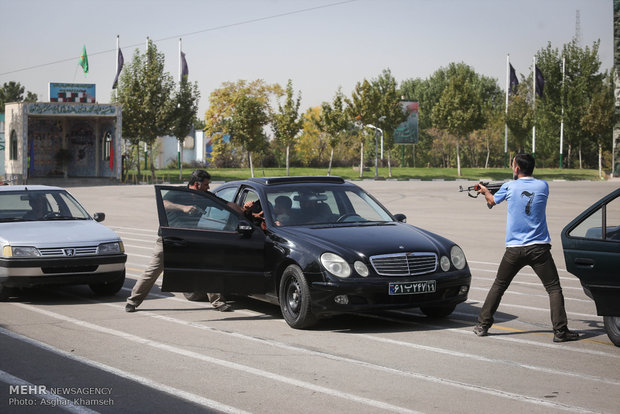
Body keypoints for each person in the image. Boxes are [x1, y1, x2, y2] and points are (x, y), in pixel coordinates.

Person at [473, 153, 579, 342]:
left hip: (514, 249)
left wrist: (485, 192)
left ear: (516, 168)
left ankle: (482, 325)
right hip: (539, 249)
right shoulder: (543, 186)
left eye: (512, 164)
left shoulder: (509, 186)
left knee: (499, 286)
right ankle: (561, 331)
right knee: (554, 289)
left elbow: (492, 201)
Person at [125, 169, 246, 313]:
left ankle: (218, 302)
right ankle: (132, 302)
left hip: (193, 240)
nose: (208, 187)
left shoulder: (205, 196)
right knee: (153, 271)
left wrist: (244, 210)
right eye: (206, 184)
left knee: (208, 268)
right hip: (171, 240)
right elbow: (163, 203)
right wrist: (183, 208)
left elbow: (227, 205)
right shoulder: (178, 193)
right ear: (196, 184)